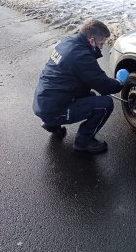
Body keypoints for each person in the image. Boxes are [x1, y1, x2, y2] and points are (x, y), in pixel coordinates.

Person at [33, 19, 129, 154]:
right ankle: (83, 142)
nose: (102, 47)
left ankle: (50, 124)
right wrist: (119, 82)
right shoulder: (81, 56)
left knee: (90, 96)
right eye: (101, 43)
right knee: (105, 104)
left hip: (43, 101)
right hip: (54, 109)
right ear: (91, 40)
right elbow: (104, 86)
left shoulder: (67, 42)